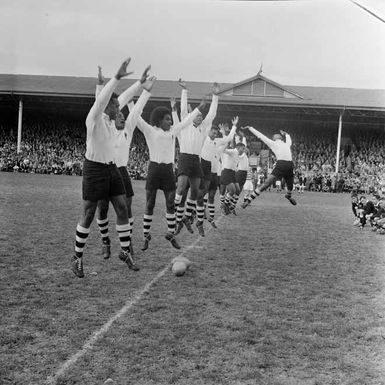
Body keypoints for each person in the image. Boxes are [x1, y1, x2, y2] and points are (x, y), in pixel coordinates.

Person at [72, 58, 138, 278]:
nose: (119, 108)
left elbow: (120, 98)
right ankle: (77, 257)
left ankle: (125, 251)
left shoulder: (111, 121)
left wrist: (140, 85)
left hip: (112, 169)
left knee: (121, 207)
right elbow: (99, 102)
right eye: (115, 105)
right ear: (106, 104)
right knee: (89, 213)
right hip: (93, 169)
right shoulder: (94, 119)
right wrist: (116, 78)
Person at [131, 92, 207, 251]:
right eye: (167, 119)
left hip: (167, 170)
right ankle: (146, 235)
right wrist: (131, 103)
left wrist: (198, 108)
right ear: (158, 120)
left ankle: (171, 233)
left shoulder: (173, 131)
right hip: (154, 169)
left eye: (170, 119)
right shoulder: (150, 130)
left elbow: (186, 121)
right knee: (149, 203)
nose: (170, 121)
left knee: (171, 203)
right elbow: (136, 118)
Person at [95, 65, 152, 260]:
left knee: (126, 209)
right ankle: (105, 241)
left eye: (122, 115)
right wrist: (101, 84)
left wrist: (146, 90)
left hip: (122, 172)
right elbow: (100, 104)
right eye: (117, 114)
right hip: (103, 170)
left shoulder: (127, 129)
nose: (120, 116)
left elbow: (136, 110)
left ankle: (127, 246)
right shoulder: (106, 126)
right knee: (102, 209)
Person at [174, 79, 219, 232]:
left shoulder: (204, 128)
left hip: (196, 161)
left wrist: (215, 96)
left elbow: (212, 114)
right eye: (197, 115)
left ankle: (186, 217)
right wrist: (184, 90)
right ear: (192, 116)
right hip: (185, 158)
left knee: (194, 192)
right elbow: (183, 111)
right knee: (181, 188)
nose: (200, 117)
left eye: (201, 116)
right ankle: (174, 212)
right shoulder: (185, 125)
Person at [242, 127, 297, 208]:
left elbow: (289, 138)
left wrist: (286, 133)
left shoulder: (286, 144)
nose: (274, 136)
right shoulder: (273, 143)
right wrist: (251, 128)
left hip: (289, 165)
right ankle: (248, 200)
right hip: (281, 164)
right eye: (274, 136)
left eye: (275, 135)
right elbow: (261, 136)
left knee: (290, 186)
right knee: (267, 184)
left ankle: (288, 196)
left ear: (280, 137)